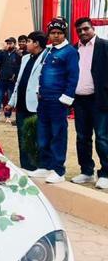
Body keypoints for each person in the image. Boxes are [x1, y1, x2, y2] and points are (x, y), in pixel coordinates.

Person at [32, 18, 79, 184]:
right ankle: (45, 166)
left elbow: (73, 77)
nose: (56, 36)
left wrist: (66, 99)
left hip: (58, 101)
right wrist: (38, 91)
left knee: (58, 135)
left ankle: (58, 170)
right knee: (43, 133)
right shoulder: (49, 50)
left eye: (59, 33)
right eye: (53, 33)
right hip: (44, 100)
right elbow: (41, 72)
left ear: (64, 34)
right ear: (49, 34)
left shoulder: (69, 52)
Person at [71, 17, 108, 190]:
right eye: (79, 30)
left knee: (102, 137)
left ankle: (106, 173)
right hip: (80, 100)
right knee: (82, 137)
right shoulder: (74, 49)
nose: (83, 32)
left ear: (93, 28)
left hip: (99, 100)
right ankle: (86, 171)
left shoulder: (104, 46)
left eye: (86, 28)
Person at [8, 31, 48, 171]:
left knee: (36, 136)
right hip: (21, 103)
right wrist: (11, 102)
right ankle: (25, 165)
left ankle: (37, 166)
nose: (26, 44)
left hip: (36, 104)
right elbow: (18, 82)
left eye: (29, 41)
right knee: (22, 135)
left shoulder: (47, 57)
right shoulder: (25, 58)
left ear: (36, 43)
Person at [0, 37, 21, 119]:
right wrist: (1, 50)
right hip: (2, 79)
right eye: (7, 43)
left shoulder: (17, 54)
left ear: (14, 44)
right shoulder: (3, 52)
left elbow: (20, 66)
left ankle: (8, 116)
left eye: (10, 43)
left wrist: (15, 76)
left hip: (12, 81)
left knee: (9, 99)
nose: (8, 45)